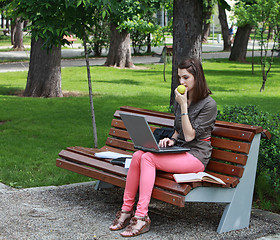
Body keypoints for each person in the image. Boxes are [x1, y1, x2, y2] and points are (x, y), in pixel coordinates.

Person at [109, 57, 217, 237]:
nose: (181, 82)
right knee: (138, 155)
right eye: (179, 78)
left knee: (148, 158)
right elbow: (178, 130)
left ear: (197, 78)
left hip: (196, 157)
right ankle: (126, 210)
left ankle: (142, 216)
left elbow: (190, 135)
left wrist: (183, 106)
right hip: (180, 150)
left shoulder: (208, 105)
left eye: (186, 78)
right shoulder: (183, 98)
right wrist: (172, 140)